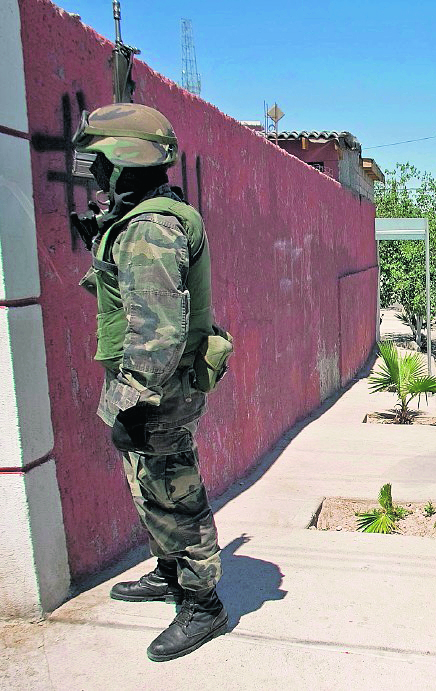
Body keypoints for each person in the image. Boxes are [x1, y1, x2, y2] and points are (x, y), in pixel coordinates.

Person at [72, 103, 232, 662]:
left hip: (156, 385)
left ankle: (202, 603)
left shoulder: (147, 230)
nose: (92, 171)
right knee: (150, 483)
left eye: (99, 160)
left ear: (122, 162)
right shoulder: (145, 218)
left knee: (172, 488)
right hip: (154, 381)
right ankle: (170, 573)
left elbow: (159, 326)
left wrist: (133, 401)